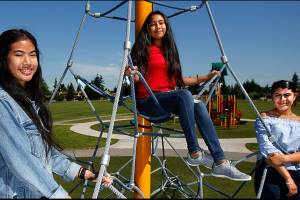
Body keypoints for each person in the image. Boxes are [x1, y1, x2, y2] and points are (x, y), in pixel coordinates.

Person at [125, 10, 251, 181]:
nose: (158, 26)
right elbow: (137, 75)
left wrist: (205, 77)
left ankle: (220, 162)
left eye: (161, 22)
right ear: (148, 28)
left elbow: (180, 80)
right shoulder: (142, 49)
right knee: (184, 95)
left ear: (166, 25)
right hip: (148, 102)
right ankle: (194, 151)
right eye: (153, 23)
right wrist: (132, 73)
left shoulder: (170, 51)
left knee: (197, 104)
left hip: (168, 100)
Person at [0, 29, 112, 198]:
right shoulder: (3, 102)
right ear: (3, 59)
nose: (27, 61)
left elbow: (46, 153)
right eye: (18, 54)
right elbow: (22, 161)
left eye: (32, 55)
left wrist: (84, 173)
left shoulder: (30, 102)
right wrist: (59, 195)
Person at [255, 80, 300, 199]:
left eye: (287, 95)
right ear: (272, 97)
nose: (282, 99)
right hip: (269, 171)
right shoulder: (265, 117)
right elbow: (267, 149)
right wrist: (288, 178)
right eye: (278, 95)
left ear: (295, 96)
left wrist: (284, 158)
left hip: (296, 172)